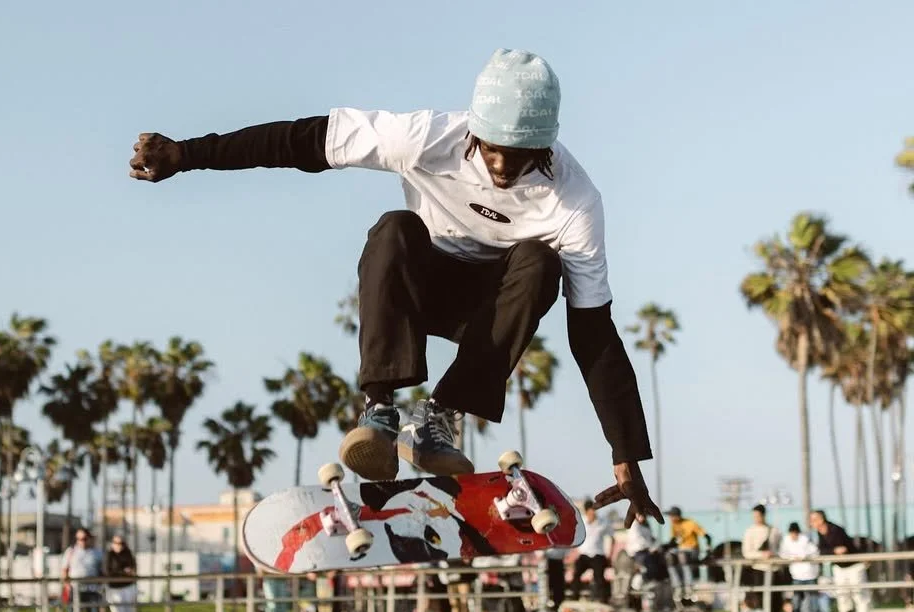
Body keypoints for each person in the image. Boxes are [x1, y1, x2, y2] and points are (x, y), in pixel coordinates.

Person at [128, 48, 662, 530]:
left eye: (519, 157)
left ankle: (439, 419)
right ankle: (380, 410)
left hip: (491, 312)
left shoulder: (575, 202)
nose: (501, 167)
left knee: (540, 263)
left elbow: (593, 333)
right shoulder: (426, 137)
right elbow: (303, 141)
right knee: (394, 228)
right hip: (416, 290)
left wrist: (626, 452)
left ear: (546, 144)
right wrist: (189, 154)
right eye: (492, 150)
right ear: (474, 129)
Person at [809, 510, 872, 612]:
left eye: (814, 520)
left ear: (821, 519)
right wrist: (833, 551)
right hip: (839, 567)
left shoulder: (836, 530)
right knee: (842, 594)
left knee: (859, 594)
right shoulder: (819, 534)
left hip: (854, 566)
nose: (812, 523)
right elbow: (822, 551)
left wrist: (832, 551)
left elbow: (842, 549)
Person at [60, 527, 104, 612]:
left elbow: (102, 570)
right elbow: (65, 570)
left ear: (89, 539)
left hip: (92, 590)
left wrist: (100, 584)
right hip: (75, 590)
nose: (81, 541)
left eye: (84, 539)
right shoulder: (71, 551)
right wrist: (67, 585)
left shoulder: (97, 552)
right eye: (79, 539)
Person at [740, 504, 783, 612]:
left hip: (774, 569)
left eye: (758, 516)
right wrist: (761, 554)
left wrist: (774, 555)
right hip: (758, 570)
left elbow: (781, 549)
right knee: (759, 602)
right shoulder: (750, 531)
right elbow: (746, 553)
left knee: (775, 601)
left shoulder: (774, 530)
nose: (756, 519)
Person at [663, 506, 711, 602]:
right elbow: (673, 541)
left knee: (682, 555)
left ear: (677, 516)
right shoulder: (674, 525)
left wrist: (709, 548)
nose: (670, 519)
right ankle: (678, 586)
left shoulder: (690, 523)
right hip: (681, 549)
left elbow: (706, 536)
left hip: (693, 550)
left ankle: (689, 586)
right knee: (669, 556)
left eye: (672, 516)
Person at [570, 500, 613, 604]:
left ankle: (603, 600)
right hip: (584, 555)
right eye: (590, 511)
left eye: (594, 511)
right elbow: (574, 537)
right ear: (586, 512)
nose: (593, 514)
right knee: (576, 575)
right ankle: (575, 597)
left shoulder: (603, 522)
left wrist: (609, 554)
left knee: (599, 577)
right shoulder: (581, 522)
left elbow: (611, 537)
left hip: (598, 554)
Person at [778, 521, 820, 612]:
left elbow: (815, 552)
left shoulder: (805, 539)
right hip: (796, 576)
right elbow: (782, 554)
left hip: (810, 575)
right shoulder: (786, 540)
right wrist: (792, 558)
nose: (793, 535)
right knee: (796, 601)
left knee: (812, 601)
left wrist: (803, 557)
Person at [104, 534, 139, 612]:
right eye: (117, 543)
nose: (120, 546)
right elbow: (107, 572)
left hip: (129, 587)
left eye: (122, 543)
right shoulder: (109, 556)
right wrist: (123, 572)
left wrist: (128, 572)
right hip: (115, 589)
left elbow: (133, 569)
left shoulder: (128, 554)